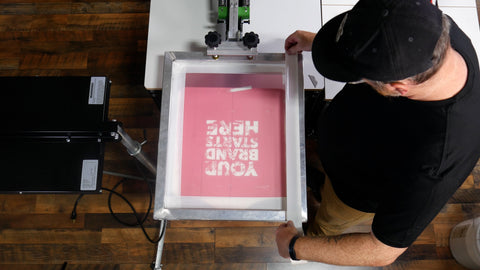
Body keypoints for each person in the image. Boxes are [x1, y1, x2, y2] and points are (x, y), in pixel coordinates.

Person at [276, 0, 480, 266]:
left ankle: (313, 231)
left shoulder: (437, 162)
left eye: (363, 76)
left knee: (326, 222)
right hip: (341, 139)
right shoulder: (428, 29)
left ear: (397, 87)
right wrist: (320, 42)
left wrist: (294, 246)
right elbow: (384, 37)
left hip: (351, 194)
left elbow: (382, 250)